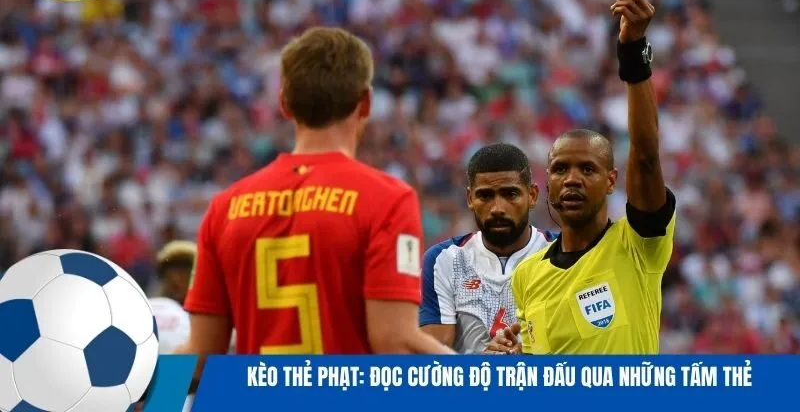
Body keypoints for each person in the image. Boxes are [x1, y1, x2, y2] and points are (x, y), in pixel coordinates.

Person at [180, 27, 453, 374]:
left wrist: (140, 379)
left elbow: (200, 355)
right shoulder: (388, 200)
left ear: (284, 103)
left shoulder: (225, 208)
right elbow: (394, 341)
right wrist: (488, 384)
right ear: (366, 103)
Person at [487, 0, 674, 354]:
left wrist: (633, 51)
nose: (572, 178)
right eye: (560, 169)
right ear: (546, 183)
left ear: (611, 181)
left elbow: (646, 157)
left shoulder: (638, 245)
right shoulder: (527, 275)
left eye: (587, 169)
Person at [419, 143, 555, 353]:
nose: (497, 208)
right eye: (485, 196)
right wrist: (481, 365)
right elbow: (430, 358)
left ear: (532, 195)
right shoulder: (443, 260)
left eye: (510, 194)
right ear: (470, 199)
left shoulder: (562, 253)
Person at [150, 240, 196, 354]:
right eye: (171, 272)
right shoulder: (148, 309)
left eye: (184, 271)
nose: (176, 279)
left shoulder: (209, 318)